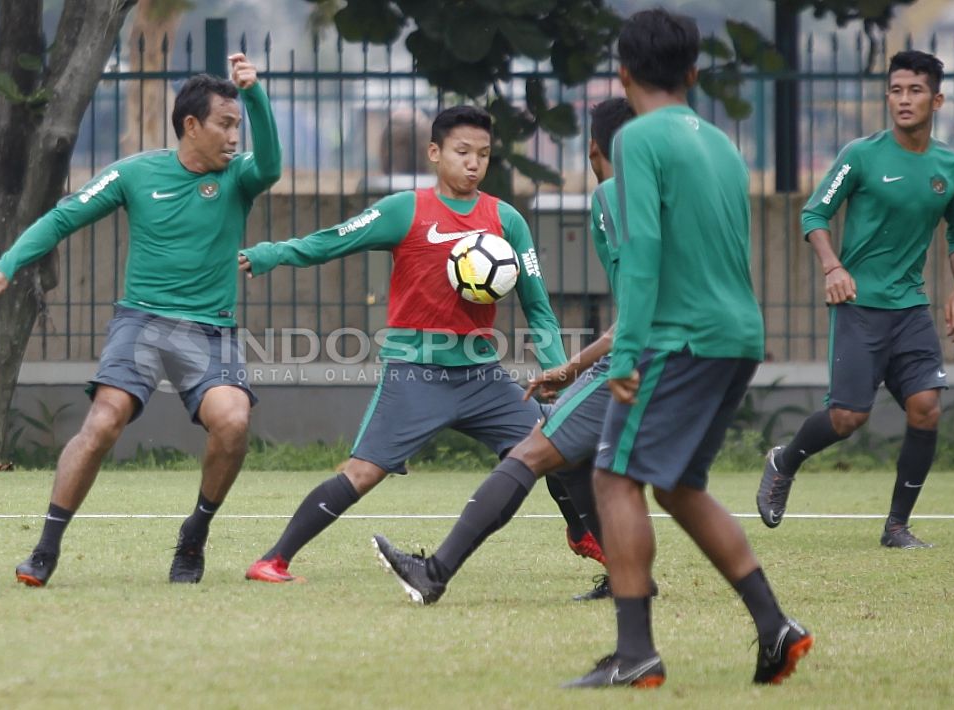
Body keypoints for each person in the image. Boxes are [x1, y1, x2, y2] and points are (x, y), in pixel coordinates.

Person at [560, 10, 810, 688]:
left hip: (680, 336)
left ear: (623, 73)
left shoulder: (638, 140)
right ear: (694, 73)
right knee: (676, 485)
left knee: (612, 478)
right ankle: (774, 626)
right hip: (738, 334)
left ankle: (635, 653)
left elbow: (642, 255)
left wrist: (625, 352)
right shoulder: (723, 145)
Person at [0, 55, 280, 586]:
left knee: (232, 422)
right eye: (225, 124)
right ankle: (45, 547)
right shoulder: (134, 173)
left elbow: (271, 164)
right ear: (191, 125)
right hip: (141, 323)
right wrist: (6, 264)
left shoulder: (238, 179)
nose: (235, 137)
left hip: (210, 329)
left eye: (239, 125)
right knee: (104, 422)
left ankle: (194, 535)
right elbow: (63, 216)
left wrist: (254, 96)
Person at [240, 106, 568, 584]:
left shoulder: (506, 220)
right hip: (415, 373)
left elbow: (538, 306)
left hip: (482, 375)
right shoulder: (404, 210)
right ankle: (273, 560)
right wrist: (270, 254)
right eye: (462, 152)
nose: (473, 163)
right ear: (435, 154)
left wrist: (557, 368)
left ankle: (584, 535)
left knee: (556, 444)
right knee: (362, 473)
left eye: (483, 154)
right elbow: (332, 241)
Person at [372, 98, 637, 605]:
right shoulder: (680, 193)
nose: (474, 162)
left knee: (532, 450)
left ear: (596, 150)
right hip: (710, 357)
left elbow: (637, 313)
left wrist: (573, 367)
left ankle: (435, 572)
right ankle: (640, 580)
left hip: (640, 356)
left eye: (484, 153)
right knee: (652, 479)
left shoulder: (612, 198)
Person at [757, 50, 954, 549]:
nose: (903, 100)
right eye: (895, 90)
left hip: (911, 307)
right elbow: (813, 216)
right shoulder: (860, 155)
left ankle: (896, 527)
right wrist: (833, 266)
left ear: (936, 98)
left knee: (926, 409)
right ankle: (784, 461)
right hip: (859, 306)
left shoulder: (952, 167)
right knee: (848, 418)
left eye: (915, 90)